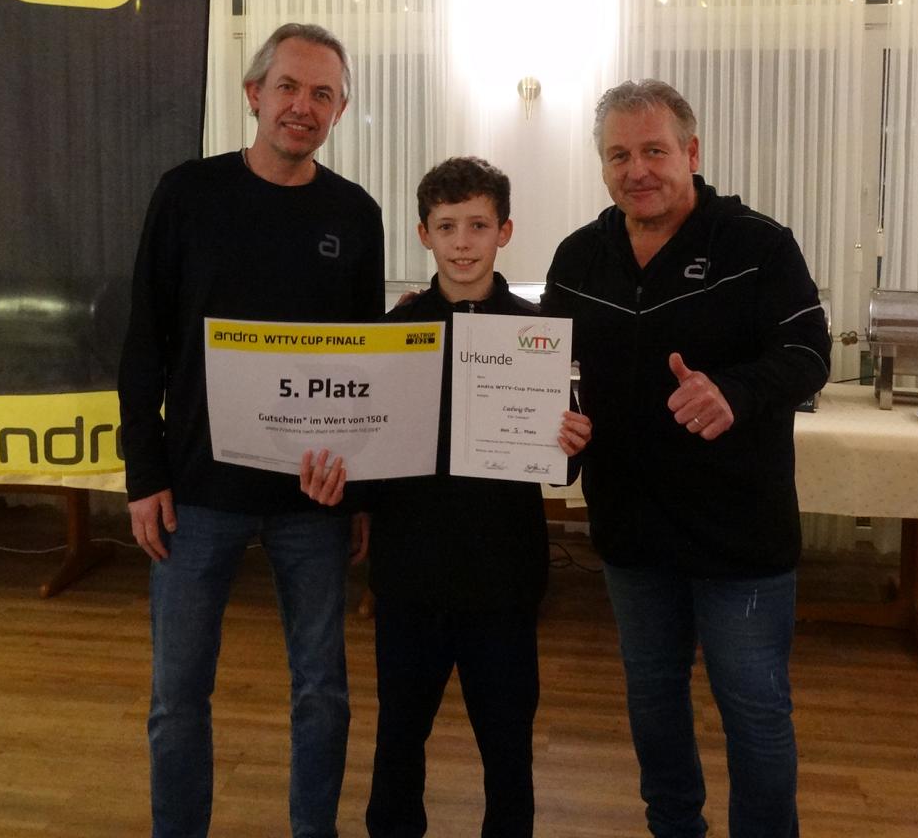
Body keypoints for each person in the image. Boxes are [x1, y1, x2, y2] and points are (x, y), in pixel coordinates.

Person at [542, 80, 831, 838]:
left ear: (691, 153)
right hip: (631, 534)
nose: (637, 170)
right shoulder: (578, 258)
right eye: (618, 155)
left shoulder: (758, 245)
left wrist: (735, 390)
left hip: (740, 536)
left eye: (654, 151)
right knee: (653, 699)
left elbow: (809, 353)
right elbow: (549, 373)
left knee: (754, 711)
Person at [119, 22, 385, 838]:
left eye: (322, 94)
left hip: (315, 498)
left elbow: (363, 365)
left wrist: (360, 491)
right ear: (253, 95)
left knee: (323, 693)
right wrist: (144, 475)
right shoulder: (186, 195)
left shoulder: (357, 215)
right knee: (177, 697)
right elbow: (143, 343)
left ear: (339, 110)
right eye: (288, 87)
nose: (303, 106)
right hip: (197, 493)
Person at [299, 156, 592, 838]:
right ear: (424, 234)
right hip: (410, 580)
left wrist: (575, 443)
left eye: (479, 226)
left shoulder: (540, 334)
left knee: (509, 751)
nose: (463, 243)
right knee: (399, 743)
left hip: (504, 581)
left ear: (505, 232)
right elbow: (365, 462)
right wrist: (335, 486)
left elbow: (562, 470)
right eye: (448, 226)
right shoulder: (388, 336)